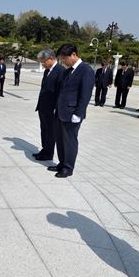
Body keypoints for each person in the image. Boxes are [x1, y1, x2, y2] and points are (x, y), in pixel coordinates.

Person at [49, 44, 94, 178]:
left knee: (69, 141)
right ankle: (62, 163)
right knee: (60, 139)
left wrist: (79, 113)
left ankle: (68, 168)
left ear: (73, 55)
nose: (63, 62)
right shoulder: (68, 71)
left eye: (64, 59)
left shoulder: (86, 70)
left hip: (72, 113)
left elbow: (85, 95)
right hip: (61, 112)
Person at [33, 49, 64, 161]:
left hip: (52, 108)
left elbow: (60, 92)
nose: (42, 64)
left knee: (50, 131)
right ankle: (44, 149)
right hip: (43, 107)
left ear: (51, 58)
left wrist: (57, 108)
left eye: (43, 61)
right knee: (44, 129)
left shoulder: (60, 71)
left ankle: (49, 153)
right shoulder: (47, 71)